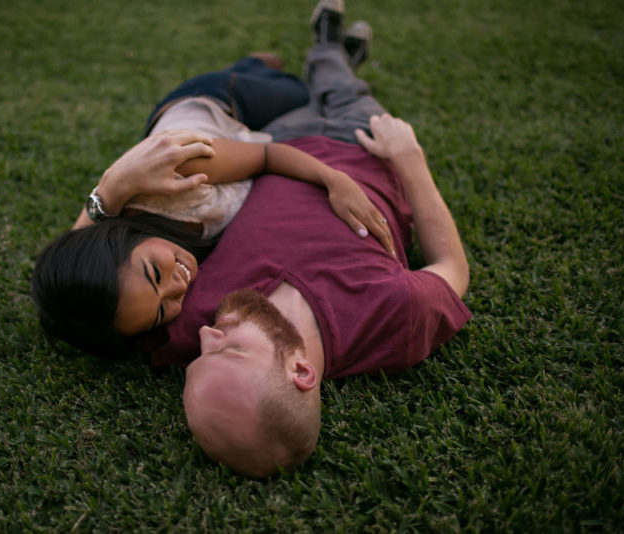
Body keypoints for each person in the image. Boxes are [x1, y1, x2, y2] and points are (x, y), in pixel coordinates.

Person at [144, 0, 471, 478]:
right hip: (361, 144)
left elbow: (75, 295)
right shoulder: (392, 316)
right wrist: (411, 157)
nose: (206, 334)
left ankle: (331, 51)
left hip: (276, 143)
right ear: (301, 372)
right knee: (346, 91)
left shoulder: (194, 313)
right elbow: (452, 267)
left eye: (198, 357)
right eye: (229, 349)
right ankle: (329, 47)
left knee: (308, 88)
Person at [32, 31, 395, 357]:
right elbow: (72, 271)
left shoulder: (180, 177)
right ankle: (321, 57)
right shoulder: (127, 287)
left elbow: (269, 156)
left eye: (155, 275)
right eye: (162, 311)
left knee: (296, 91)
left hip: (217, 102)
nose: (176, 288)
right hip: (228, 143)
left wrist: (335, 180)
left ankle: (254, 64)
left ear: (118, 237)